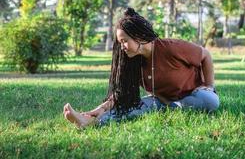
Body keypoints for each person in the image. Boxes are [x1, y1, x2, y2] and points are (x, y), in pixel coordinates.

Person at [63, 7, 220, 129]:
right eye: (120, 42)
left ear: (138, 36)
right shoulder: (132, 62)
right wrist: (101, 109)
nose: (122, 47)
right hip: (161, 102)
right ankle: (89, 121)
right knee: (130, 109)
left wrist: (209, 85)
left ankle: (173, 108)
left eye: (124, 41)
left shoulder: (170, 47)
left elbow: (205, 55)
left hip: (194, 95)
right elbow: (122, 94)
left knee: (210, 101)